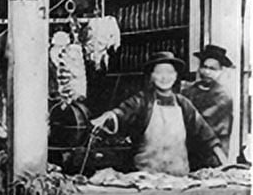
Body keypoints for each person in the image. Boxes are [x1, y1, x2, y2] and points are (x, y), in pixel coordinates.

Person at [90, 51, 226, 176]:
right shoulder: (142, 101)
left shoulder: (184, 104)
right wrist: (106, 117)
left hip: (179, 180)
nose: (164, 77)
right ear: (151, 76)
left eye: (169, 72)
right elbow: (122, 112)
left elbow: (206, 135)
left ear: (176, 76)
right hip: (146, 180)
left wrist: (226, 165)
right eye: (159, 72)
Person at [181, 44, 235, 157]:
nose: (207, 72)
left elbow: (203, 124)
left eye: (212, 69)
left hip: (213, 150)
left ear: (220, 71)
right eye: (204, 67)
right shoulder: (189, 90)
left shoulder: (223, 96)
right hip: (188, 148)